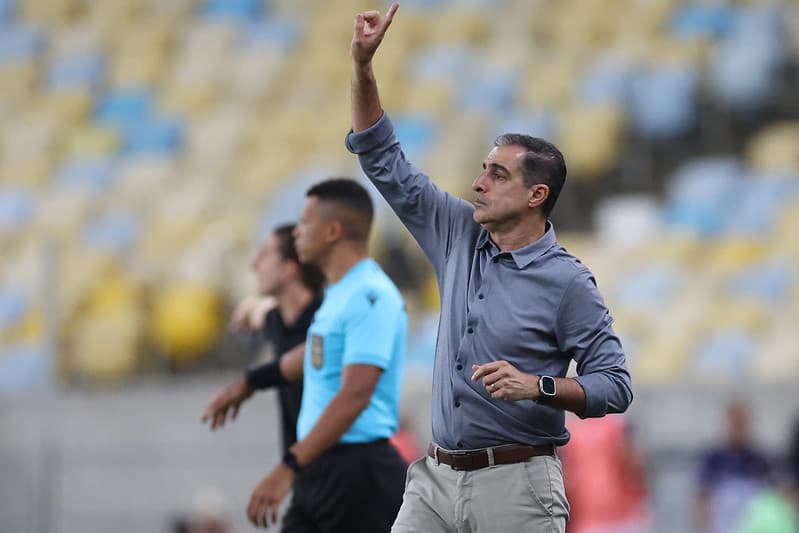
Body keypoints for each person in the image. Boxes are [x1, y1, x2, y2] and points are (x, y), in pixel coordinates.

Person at [346, 4, 633, 531]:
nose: (479, 183)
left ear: (535, 195)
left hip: (518, 484)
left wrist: (540, 386)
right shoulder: (456, 230)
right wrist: (363, 67)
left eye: (497, 174)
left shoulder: (567, 280)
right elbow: (381, 158)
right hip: (434, 479)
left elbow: (614, 384)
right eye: (482, 170)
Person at [246, 178, 409, 531]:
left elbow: (355, 394)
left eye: (305, 222)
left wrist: (288, 465)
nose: (297, 232)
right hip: (320, 470)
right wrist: (249, 382)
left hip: (358, 473)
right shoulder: (338, 296)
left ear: (332, 231)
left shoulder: (370, 294)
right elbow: (309, 355)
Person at [201, 224, 325, 457]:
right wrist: (249, 307)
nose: (254, 265)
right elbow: (262, 313)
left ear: (289, 270)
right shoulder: (277, 319)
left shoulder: (326, 325)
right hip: (304, 477)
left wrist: (250, 382)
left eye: (265, 254)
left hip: (339, 475)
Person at [694, 402, 773, 533]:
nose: (737, 430)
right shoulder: (713, 458)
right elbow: (700, 498)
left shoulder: (759, 459)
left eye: (741, 424)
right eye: (734, 424)